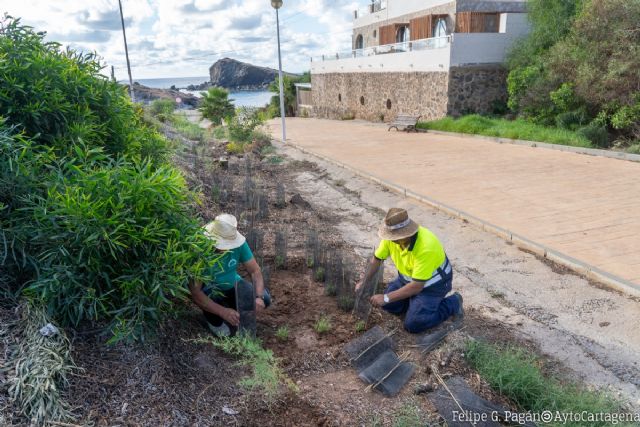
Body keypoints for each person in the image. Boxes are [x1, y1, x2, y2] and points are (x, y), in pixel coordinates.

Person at [356, 208, 463, 333]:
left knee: (414, 323)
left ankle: (454, 302)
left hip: (433, 286)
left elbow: (417, 287)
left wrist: (386, 297)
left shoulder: (426, 246)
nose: (392, 240)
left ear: (405, 233)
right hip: (407, 280)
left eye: (395, 237)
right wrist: (364, 281)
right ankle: (414, 303)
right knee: (389, 306)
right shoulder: (391, 240)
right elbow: (376, 260)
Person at [189, 214, 270, 336]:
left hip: (232, 284)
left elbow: (255, 271)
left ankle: (232, 308)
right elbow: (196, 292)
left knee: (266, 298)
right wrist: (223, 312)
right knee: (213, 301)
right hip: (210, 289)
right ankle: (215, 320)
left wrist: (259, 297)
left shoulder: (239, 244)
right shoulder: (199, 249)